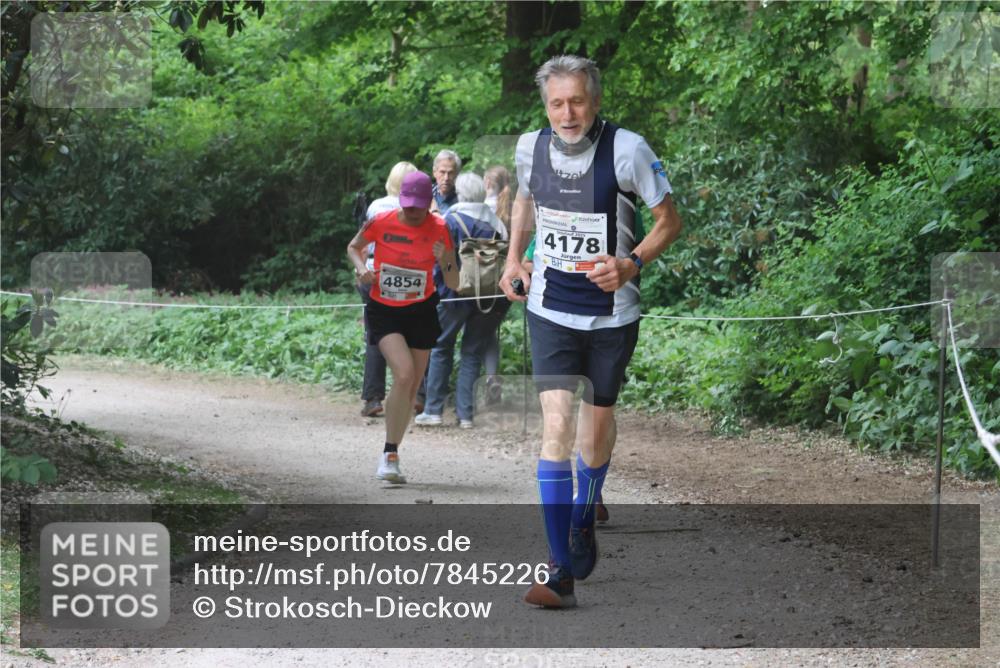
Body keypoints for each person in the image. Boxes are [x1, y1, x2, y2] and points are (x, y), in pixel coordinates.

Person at [499, 55, 682, 608]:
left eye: (577, 100)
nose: (567, 112)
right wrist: (515, 260)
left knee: (596, 429)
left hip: (612, 314)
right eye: (556, 102)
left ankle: (586, 509)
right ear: (545, 105)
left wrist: (630, 264)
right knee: (556, 426)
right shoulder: (530, 147)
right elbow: (526, 204)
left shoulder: (628, 150)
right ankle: (560, 573)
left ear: (595, 100)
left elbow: (669, 220)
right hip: (550, 308)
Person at [347, 171, 459, 483]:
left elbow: (454, 281)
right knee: (405, 373)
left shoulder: (440, 227)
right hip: (385, 309)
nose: (412, 212)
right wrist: (362, 270)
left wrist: (444, 259)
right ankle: (388, 453)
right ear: (401, 200)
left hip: (421, 311)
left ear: (428, 204)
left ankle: (391, 452)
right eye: (407, 205)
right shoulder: (381, 221)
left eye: (418, 206)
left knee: (409, 385)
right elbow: (354, 247)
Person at [415, 172, 509, 429]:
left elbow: (441, 261)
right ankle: (465, 415)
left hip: (454, 296)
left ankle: (433, 410)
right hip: (490, 298)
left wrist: (438, 290)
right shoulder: (498, 224)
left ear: (460, 193)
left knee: (441, 346)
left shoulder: (450, 220)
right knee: (472, 352)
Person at [357, 161, 419, 417]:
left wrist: (359, 269)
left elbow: (363, 242)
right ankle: (415, 395)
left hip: (376, 275)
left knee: (376, 335)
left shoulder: (376, 207)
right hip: (410, 276)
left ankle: (373, 398)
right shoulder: (420, 209)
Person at [482, 165, 515, 404]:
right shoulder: (515, 209)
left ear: (486, 183)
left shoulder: (481, 209)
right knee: (489, 330)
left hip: (481, 281)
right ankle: (491, 376)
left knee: (475, 332)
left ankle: (468, 384)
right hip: (506, 280)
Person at [430, 149, 461, 215]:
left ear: (457, 174)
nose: (446, 178)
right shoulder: (427, 194)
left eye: (450, 173)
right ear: (434, 172)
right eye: (442, 172)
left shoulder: (462, 198)